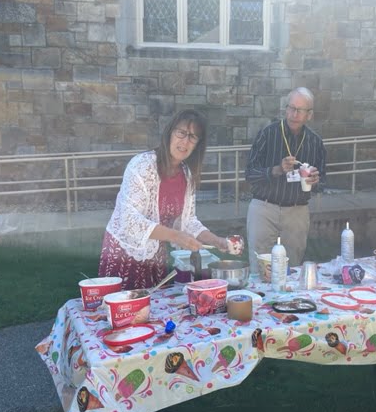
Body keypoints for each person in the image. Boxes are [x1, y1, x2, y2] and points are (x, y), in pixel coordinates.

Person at [98, 109, 228, 290]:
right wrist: (176, 236)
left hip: (156, 255)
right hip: (124, 253)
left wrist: (215, 240)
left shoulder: (187, 175)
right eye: (181, 133)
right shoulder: (141, 165)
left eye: (193, 137)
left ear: (197, 145)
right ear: (170, 132)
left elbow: (188, 221)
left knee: (155, 311)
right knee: (125, 312)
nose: (185, 142)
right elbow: (129, 220)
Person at [245, 87, 327, 274]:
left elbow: (323, 181)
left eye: (300, 110)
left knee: (292, 268)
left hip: (297, 212)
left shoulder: (315, 142)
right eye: (291, 108)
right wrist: (276, 169)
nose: (294, 114)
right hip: (264, 208)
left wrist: (315, 181)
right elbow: (250, 173)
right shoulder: (268, 133)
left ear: (310, 115)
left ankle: (287, 303)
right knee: (259, 268)